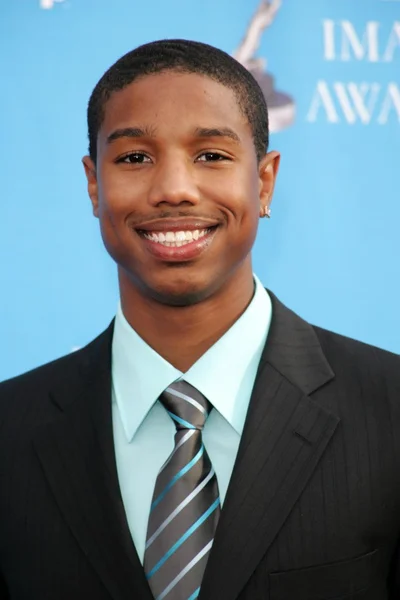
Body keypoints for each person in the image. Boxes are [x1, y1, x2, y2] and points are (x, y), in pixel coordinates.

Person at [0, 39, 399, 600]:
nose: (173, 190)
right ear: (94, 184)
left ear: (264, 182)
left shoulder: (389, 410)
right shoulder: (10, 432)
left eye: (210, 156)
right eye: (135, 158)